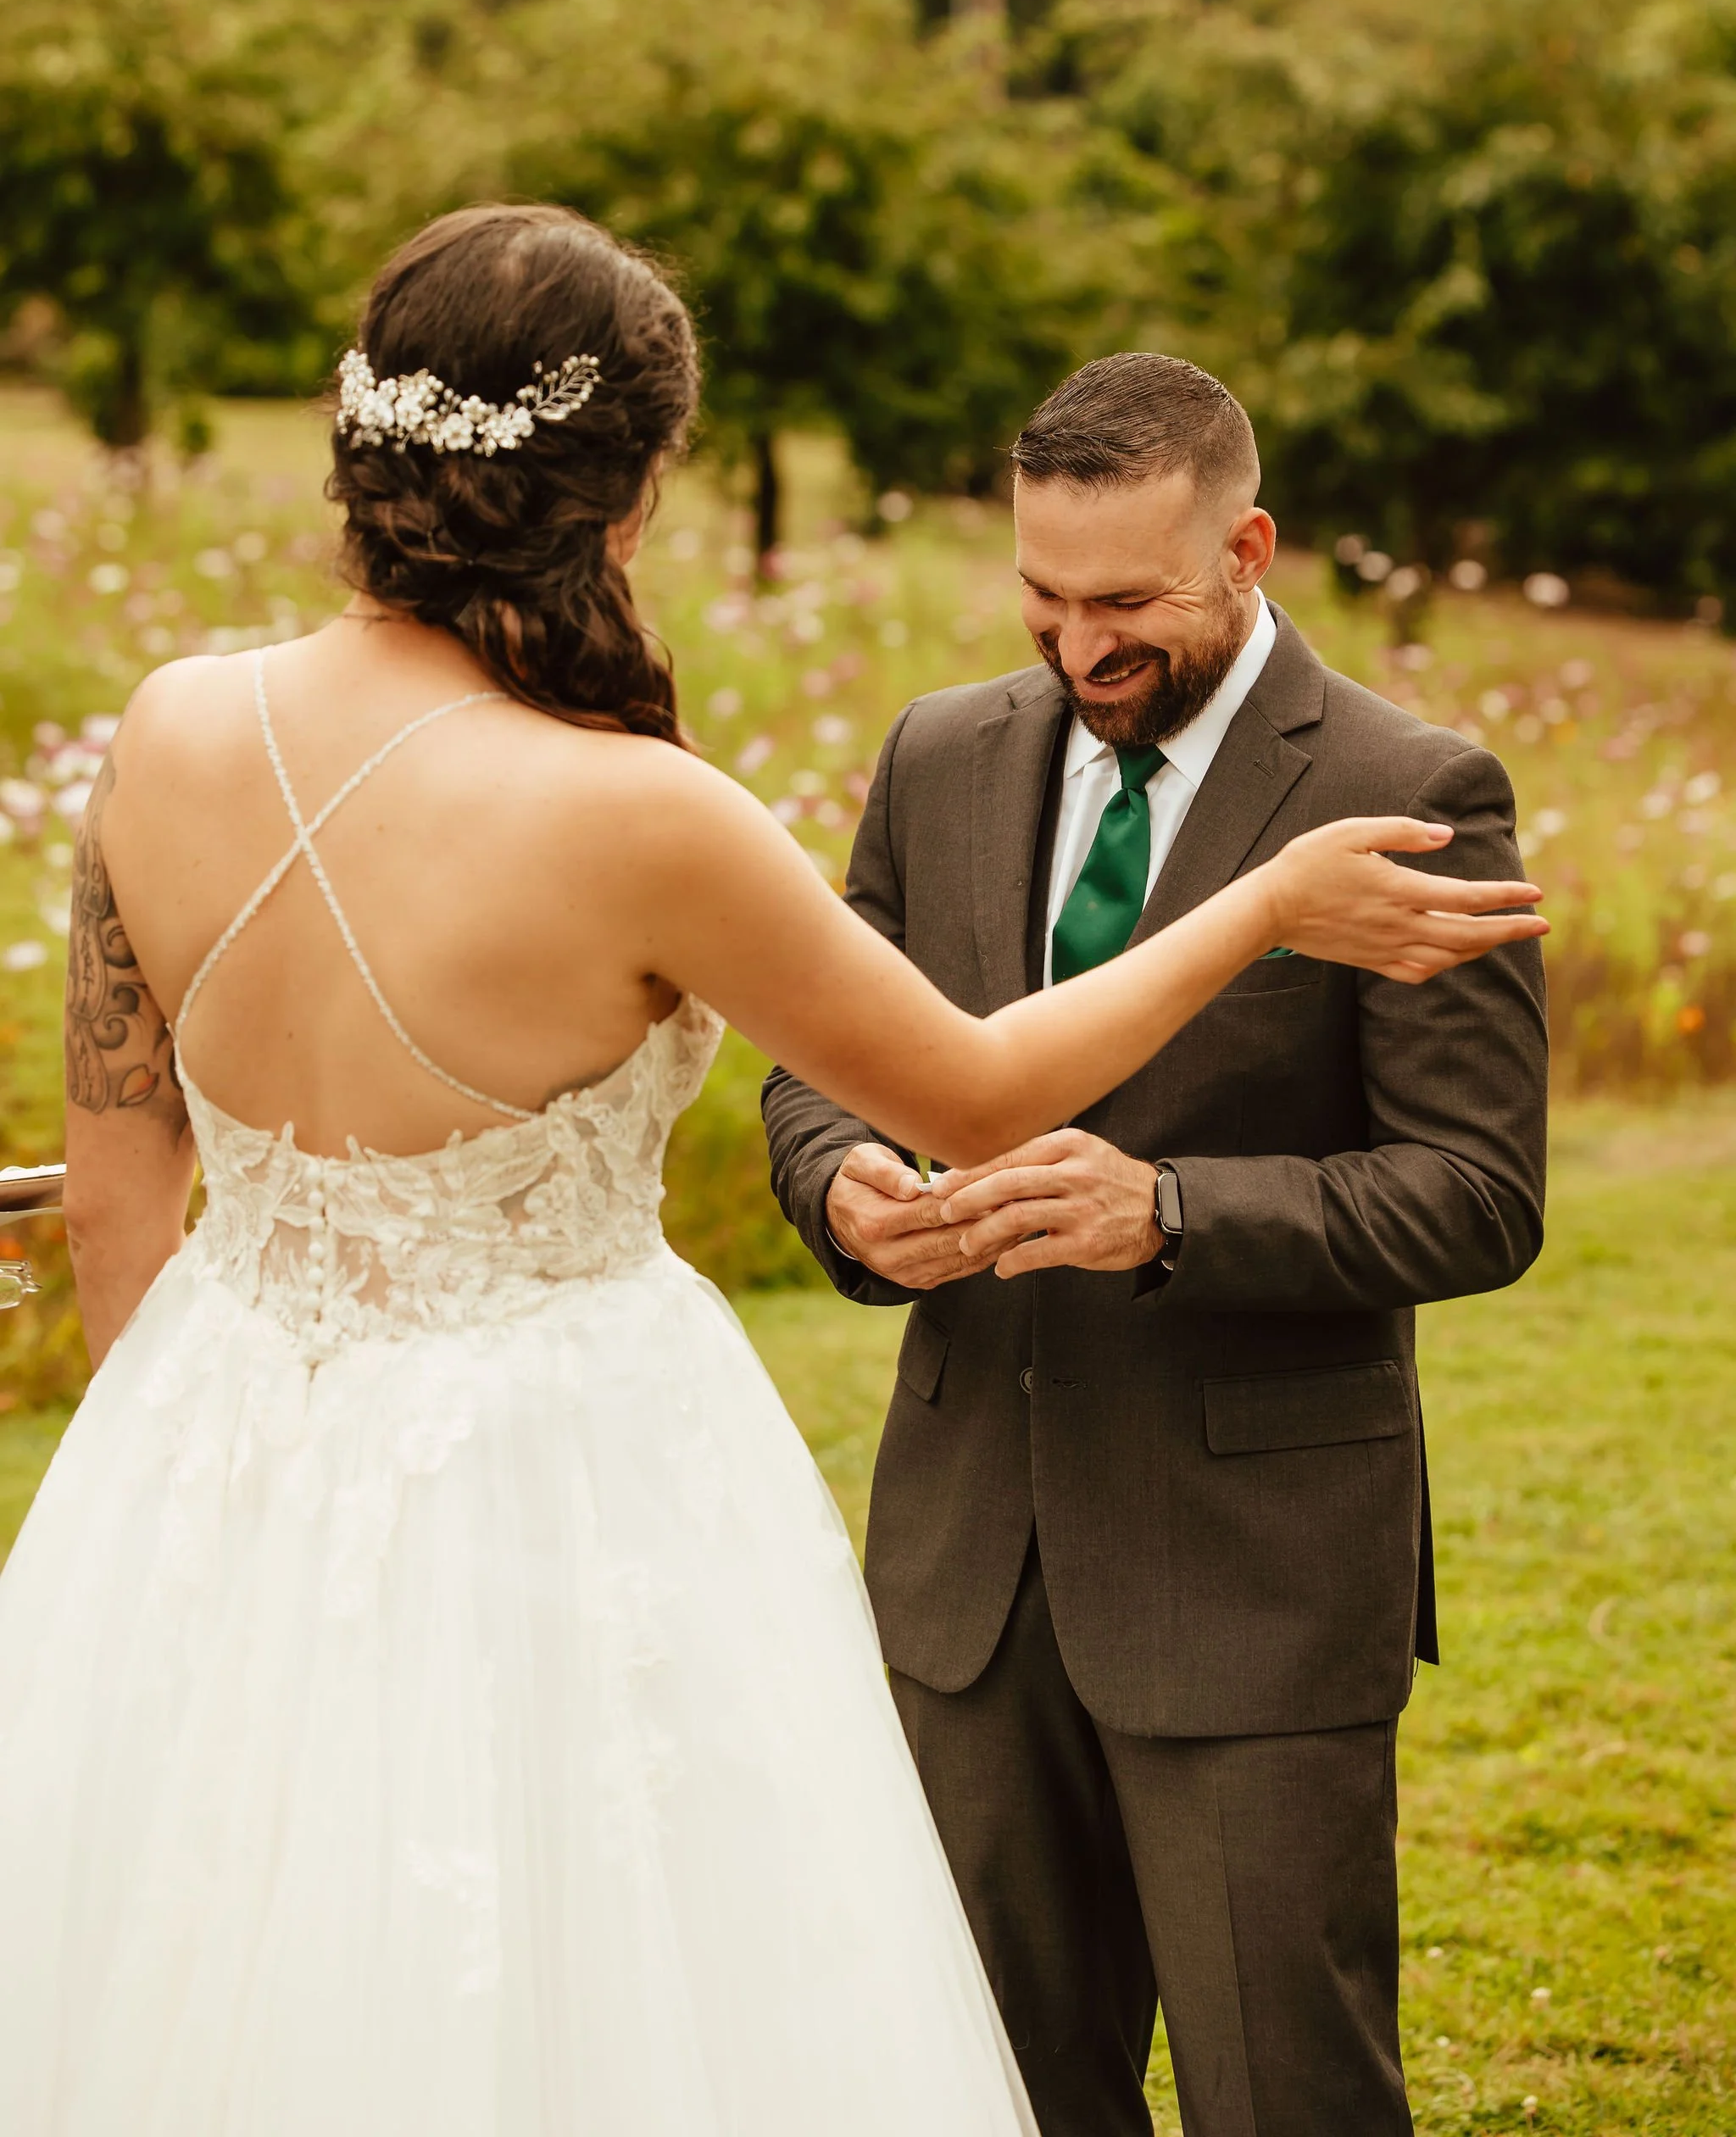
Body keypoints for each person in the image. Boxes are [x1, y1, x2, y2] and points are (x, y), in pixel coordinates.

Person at [0, 214, 1544, 2137]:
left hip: (214, 1484)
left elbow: (120, 1201)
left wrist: (207, 1526)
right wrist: (1265, 909)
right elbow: (974, 1089)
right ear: (631, 491)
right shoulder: (641, 812)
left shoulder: (165, 728)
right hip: (566, 1499)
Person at [763, 353, 1551, 2137]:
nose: (1077, 645)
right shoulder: (940, 754)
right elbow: (818, 1062)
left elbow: (1478, 1190)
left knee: (1286, 2094)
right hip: (966, 1572)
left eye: (1125, 603)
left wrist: (1169, 1213)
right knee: (993, 2094)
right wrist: (839, 1180)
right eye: (1043, 596)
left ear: (1247, 550)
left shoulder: (1410, 784)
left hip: (1254, 1580)